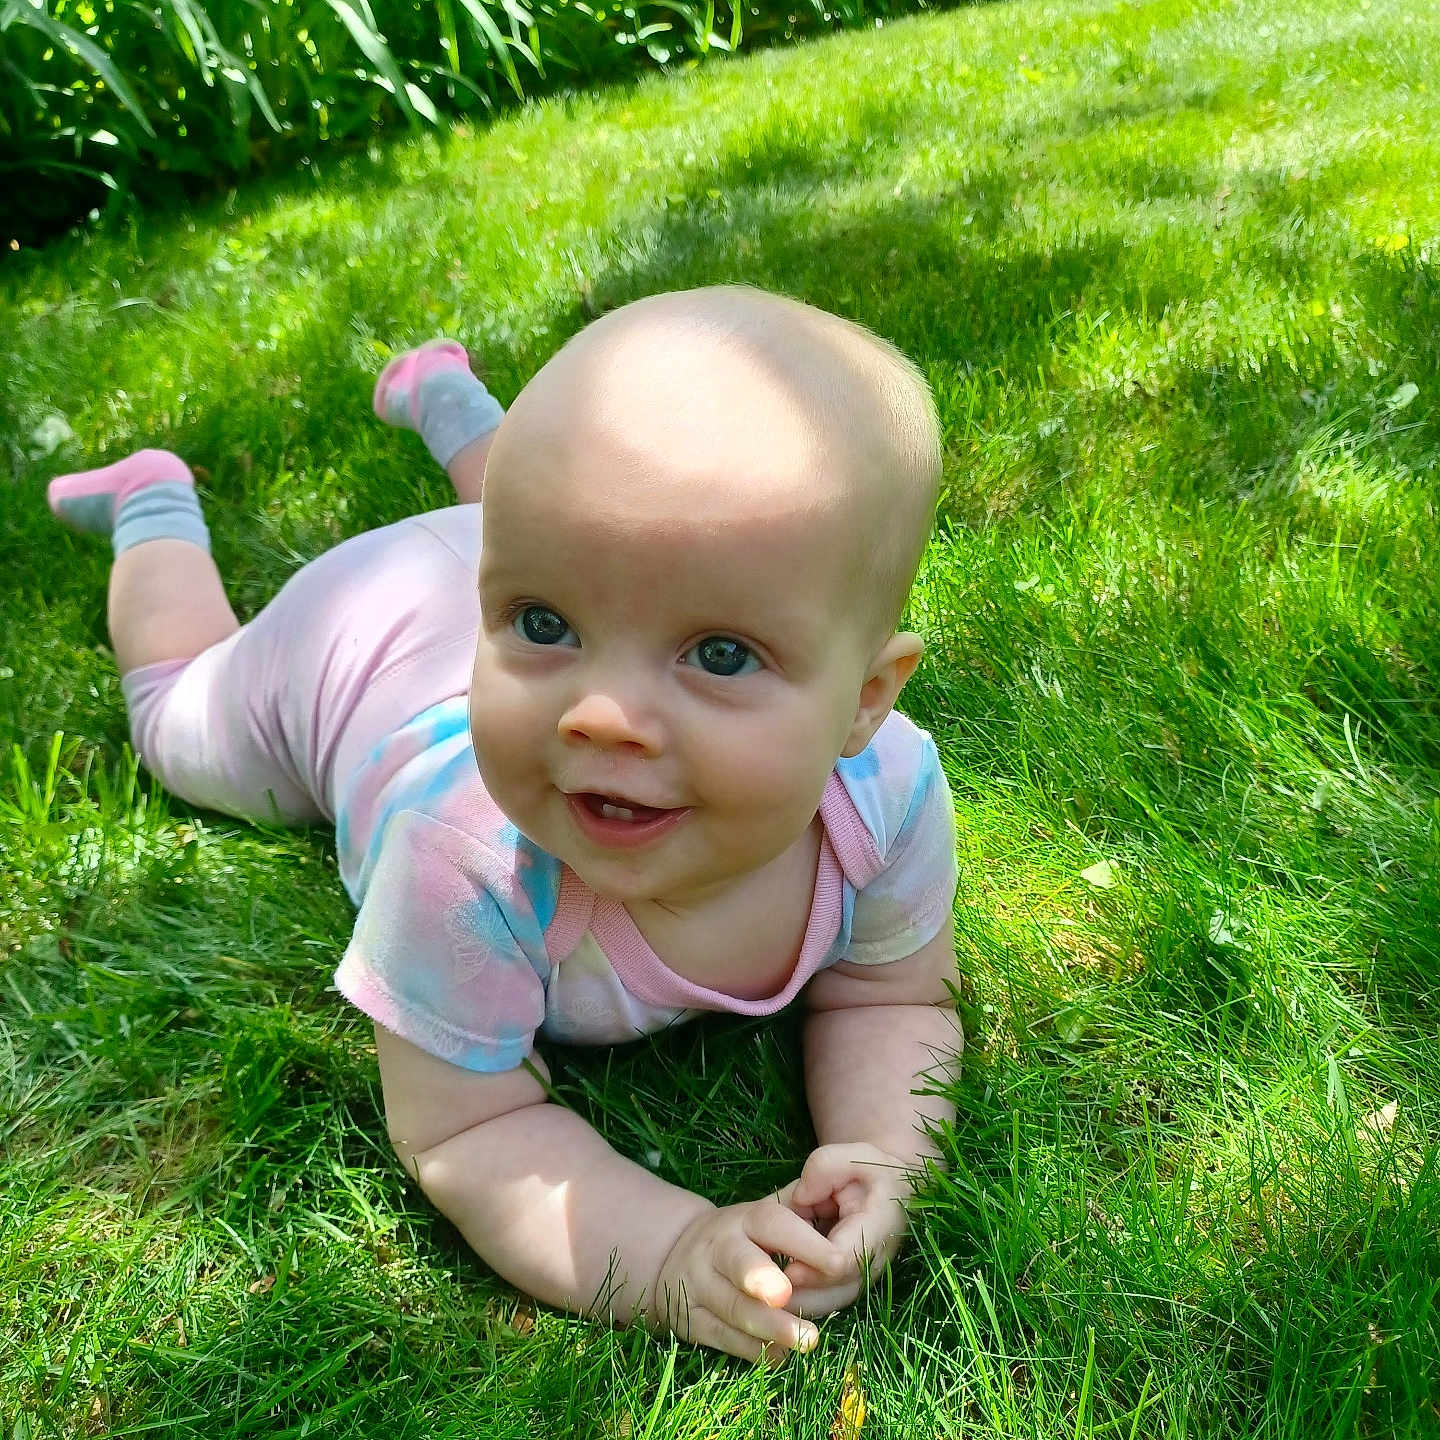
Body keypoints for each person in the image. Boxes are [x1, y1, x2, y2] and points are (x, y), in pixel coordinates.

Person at [47, 285, 962, 1363]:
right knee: (175, 723)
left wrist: (884, 1154)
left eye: (719, 655)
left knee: (602, 556)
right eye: (539, 623)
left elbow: (893, 995)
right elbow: (470, 1127)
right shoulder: (463, 864)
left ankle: (451, 405)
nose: (601, 716)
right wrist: (670, 1252)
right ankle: (154, 506)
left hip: (487, 563)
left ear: (866, 700)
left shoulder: (885, 799)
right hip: (351, 642)